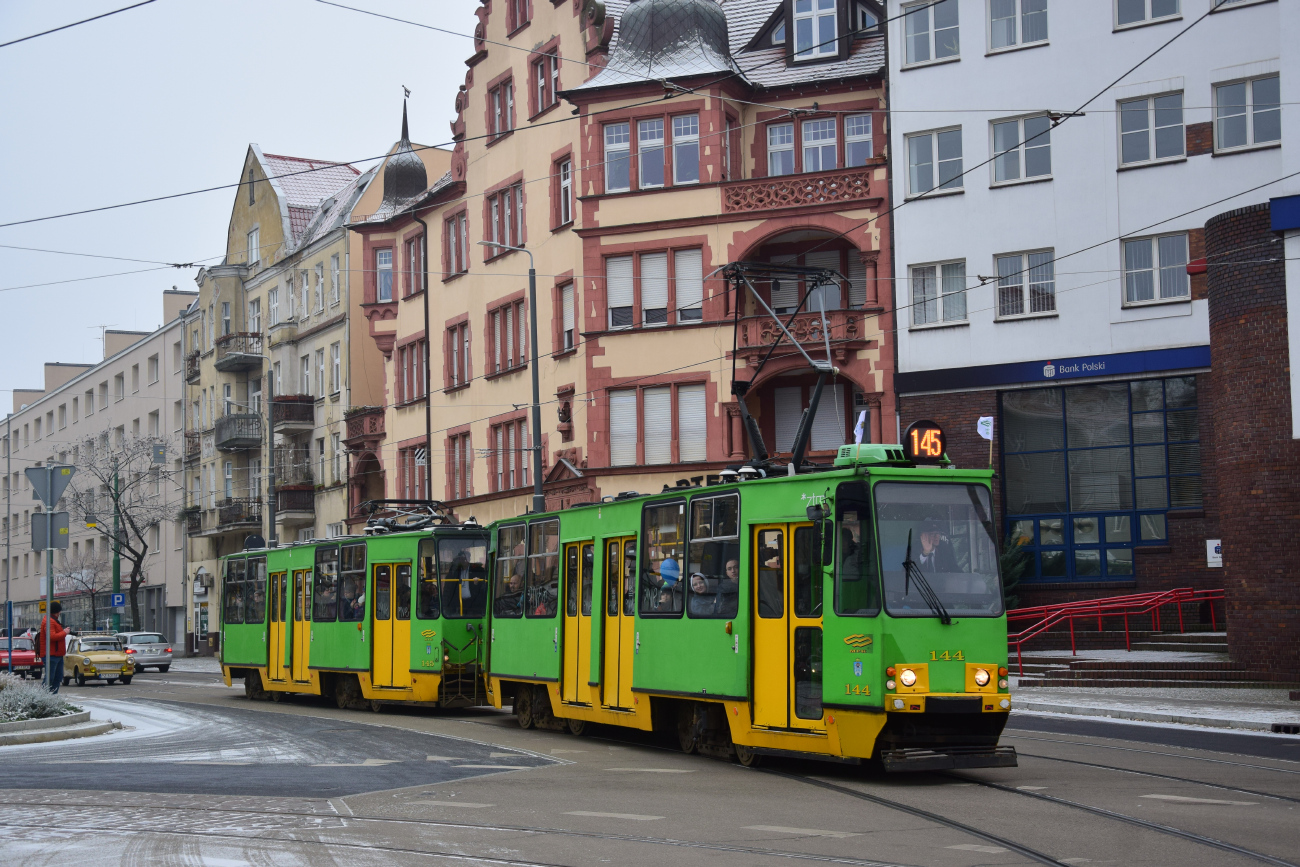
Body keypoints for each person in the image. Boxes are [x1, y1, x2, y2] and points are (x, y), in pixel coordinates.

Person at [35, 601, 69, 693]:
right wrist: (64, 632)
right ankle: (43, 698)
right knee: (50, 678)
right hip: (51, 654)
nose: (60, 613)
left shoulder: (53, 621)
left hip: (57, 654)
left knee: (57, 677)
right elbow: (52, 636)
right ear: (57, 611)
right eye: (59, 611)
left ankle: (52, 698)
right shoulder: (49, 622)